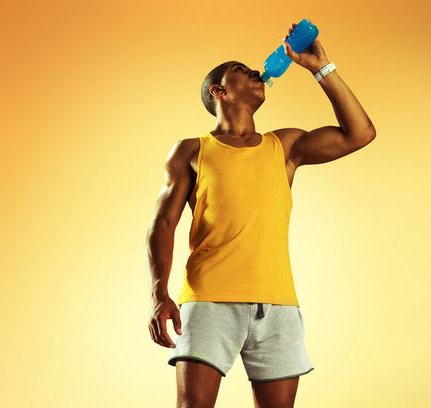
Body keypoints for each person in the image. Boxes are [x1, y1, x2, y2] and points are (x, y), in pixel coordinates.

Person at [145, 21, 376, 408]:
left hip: (278, 305)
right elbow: (163, 223)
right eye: (240, 71)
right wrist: (158, 293)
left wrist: (322, 66)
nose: (256, 72)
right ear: (219, 91)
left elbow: (360, 133)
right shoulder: (190, 150)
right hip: (209, 300)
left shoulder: (284, 146)